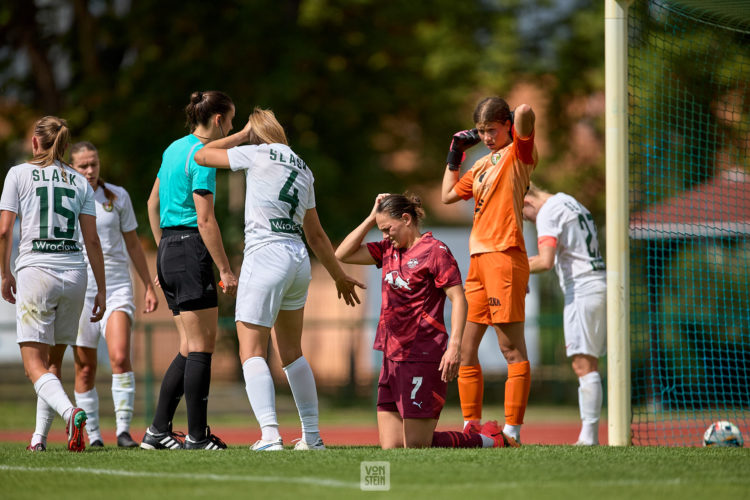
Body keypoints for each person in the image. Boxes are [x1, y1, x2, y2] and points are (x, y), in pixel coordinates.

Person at [194, 107, 364, 451]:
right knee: (292, 353)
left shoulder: (256, 152)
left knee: (251, 350)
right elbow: (316, 236)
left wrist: (242, 136)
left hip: (266, 254)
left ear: (256, 134)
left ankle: (270, 435)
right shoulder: (303, 166)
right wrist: (338, 276)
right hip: (297, 259)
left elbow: (201, 155)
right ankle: (312, 437)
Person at [335, 193, 519, 449]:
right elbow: (343, 254)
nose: (385, 235)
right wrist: (371, 217)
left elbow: (459, 299)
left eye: (388, 229)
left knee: (417, 444)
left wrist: (454, 346)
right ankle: (485, 437)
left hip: (422, 354)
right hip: (391, 357)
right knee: (392, 447)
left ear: (407, 219)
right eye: (382, 230)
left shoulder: (435, 251)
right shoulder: (387, 250)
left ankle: (491, 441)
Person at [0, 116, 106, 452]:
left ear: (35, 142)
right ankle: (39, 439)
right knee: (53, 365)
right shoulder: (79, 181)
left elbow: (4, 231)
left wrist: (4, 272)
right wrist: (101, 289)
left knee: (35, 368)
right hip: (75, 276)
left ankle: (71, 411)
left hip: (37, 273)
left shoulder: (18, 173)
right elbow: (92, 241)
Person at [142, 90, 239, 451]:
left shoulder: (173, 148)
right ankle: (198, 437)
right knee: (202, 347)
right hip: (189, 247)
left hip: (168, 247)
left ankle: (157, 431)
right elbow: (205, 218)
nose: (232, 125)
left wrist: (164, 251)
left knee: (187, 346)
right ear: (218, 120)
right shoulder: (202, 157)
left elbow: (152, 202)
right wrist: (226, 269)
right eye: (231, 120)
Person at [441, 96, 537, 444]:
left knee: (510, 349)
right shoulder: (481, 163)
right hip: (478, 261)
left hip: (505, 256)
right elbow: (447, 196)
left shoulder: (518, 155)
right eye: (480, 131)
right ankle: (472, 426)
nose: (485, 137)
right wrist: (455, 152)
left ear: (507, 126)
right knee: (466, 350)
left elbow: (526, 112)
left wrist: (513, 119)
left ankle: (512, 430)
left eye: (491, 130)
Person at [65, 141, 159, 448]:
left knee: (120, 357)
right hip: (79, 290)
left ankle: (122, 431)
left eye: (94, 164)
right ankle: (92, 435)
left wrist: (147, 283)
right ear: (71, 167)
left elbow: (133, 243)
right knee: (86, 367)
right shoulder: (65, 199)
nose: (90, 170)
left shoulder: (116, 196)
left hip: (117, 287)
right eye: (83, 165)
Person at [522, 183, 606, 445]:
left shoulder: (548, 212)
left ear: (527, 201)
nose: (527, 219)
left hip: (582, 289)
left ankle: (588, 437)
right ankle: (592, 433)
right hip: (600, 282)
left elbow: (545, 261)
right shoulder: (569, 199)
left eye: (524, 214)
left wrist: (510, 269)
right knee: (593, 363)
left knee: (583, 364)